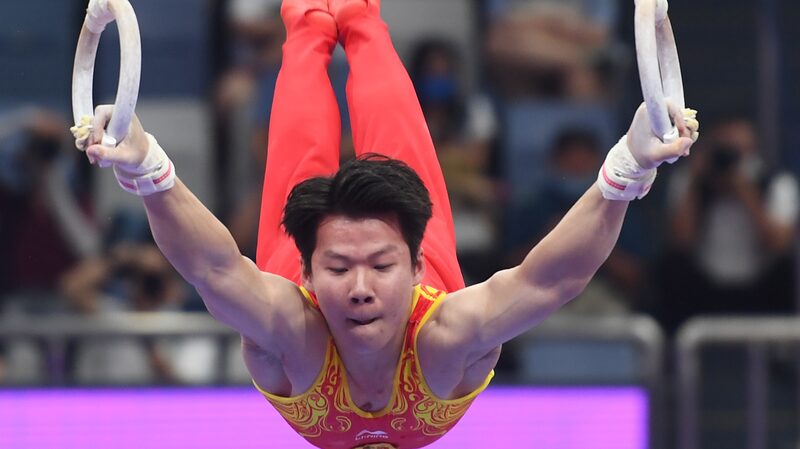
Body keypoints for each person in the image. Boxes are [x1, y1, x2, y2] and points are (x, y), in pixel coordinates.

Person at [72, 0, 698, 447]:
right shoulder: (447, 340)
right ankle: (362, 19)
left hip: (315, 291)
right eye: (341, 268)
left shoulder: (294, 338)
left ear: (411, 265)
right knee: (400, 156)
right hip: (383, 289)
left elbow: (211, 267)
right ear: (318, 274)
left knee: (295, 158)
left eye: (378, 265)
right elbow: (551, 281)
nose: (361, 286)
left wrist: (150, 172)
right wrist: (626, 171)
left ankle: (308, 21)